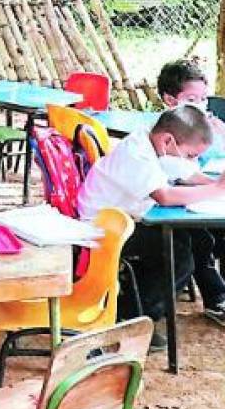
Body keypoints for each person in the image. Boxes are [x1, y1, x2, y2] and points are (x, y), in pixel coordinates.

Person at [77, 105, 225, 347]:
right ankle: (130, 317)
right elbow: (164, 195)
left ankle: (207, 297)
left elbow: (186, 175)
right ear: (168, 141)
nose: (192, 161)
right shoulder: (137, 154)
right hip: (103, 229)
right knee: (179, 259)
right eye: (190, 155)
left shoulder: (151, 141)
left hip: (123, 219)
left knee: (194, 238)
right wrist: (217, 189)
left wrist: (215, 184)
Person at [155, 60, 225, 324]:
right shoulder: (167, 133)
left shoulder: (202, 125)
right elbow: (179, 176)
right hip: (166, 207)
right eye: (192, 99)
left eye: (204, 99)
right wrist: (214, 186)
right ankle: (216, 298)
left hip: (186, 197)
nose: (201, 105)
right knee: (200, 240)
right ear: (170, 101)